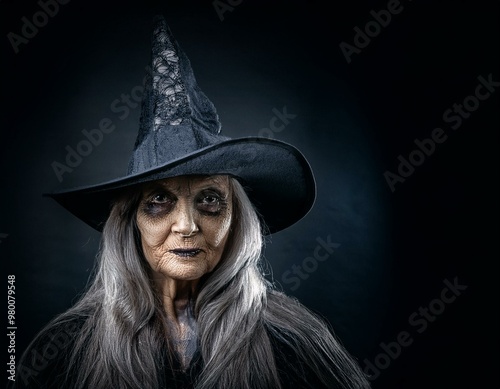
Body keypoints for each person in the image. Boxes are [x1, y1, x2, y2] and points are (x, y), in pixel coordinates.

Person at [11, 15, 371, 389]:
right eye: (159, 200)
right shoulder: (67, 347)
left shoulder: (293, 340)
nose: (186, 225)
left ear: (238, 219)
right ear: (130, 219)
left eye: (211, 199)